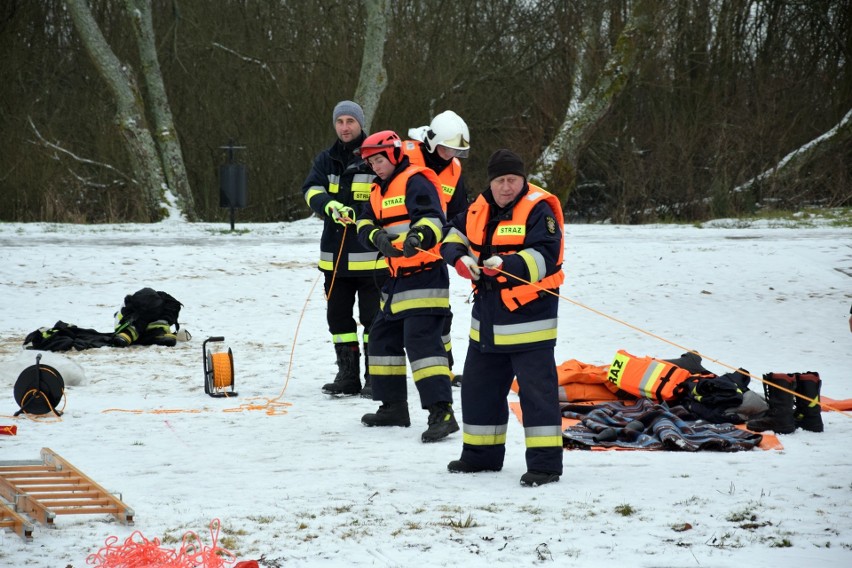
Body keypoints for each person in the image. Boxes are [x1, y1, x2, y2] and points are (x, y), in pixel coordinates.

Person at [440, 149, 565, 487]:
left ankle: (544, 465)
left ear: (523, 180)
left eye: (512, 180)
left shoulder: (539, 208)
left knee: (537, 398)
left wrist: (506, 265)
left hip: (530, 322)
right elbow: (453, 234)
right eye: (499, 181)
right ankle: (481, 457)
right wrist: (459, 259)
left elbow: (546, 256)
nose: (506, 187)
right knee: (478, 392)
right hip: (487, 324)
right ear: (490, 183)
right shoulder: (479, 207)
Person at [354, 130, 458, 443]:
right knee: (382, 338)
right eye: (371, 161)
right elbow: (364, 223)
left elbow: (433, 219)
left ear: (396, 154)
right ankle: (393, 407)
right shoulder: (376, 189)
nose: (376, 165)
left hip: (426, 274)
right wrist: (377, 238)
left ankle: (442, 413)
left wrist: (418, 237)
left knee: (422, 344)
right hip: (396, 278)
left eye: (380, 159)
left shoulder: (416, 179)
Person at [301, 100, 387, 397]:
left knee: (374, 320)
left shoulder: (375, 156)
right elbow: (311, 190)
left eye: (350, 121)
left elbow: (387, 194)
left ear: (361, 123)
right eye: (340, 121)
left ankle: (376, 377)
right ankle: (347, 374)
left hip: (371, 260)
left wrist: (363, 214)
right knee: (338, 319)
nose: (345, 127)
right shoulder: (326, 159)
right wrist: (330, 205)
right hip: (335, 260)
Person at [403, 110, 471, 388]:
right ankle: (379, 380)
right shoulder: (405, 157)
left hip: (433, 251)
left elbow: (460, 213)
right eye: (447, 148)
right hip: (399, 249)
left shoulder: (454, 169)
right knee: (391, 320)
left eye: (456, 150)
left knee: (441, 314)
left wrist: (461, 245)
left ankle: (446, 368)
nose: (450, 154)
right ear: (432, 143)